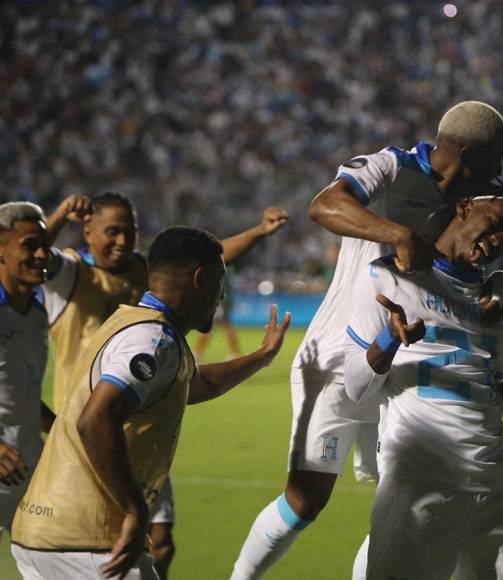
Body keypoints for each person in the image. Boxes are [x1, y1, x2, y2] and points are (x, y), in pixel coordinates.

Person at [231, 101, 503, 579]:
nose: (502, 170)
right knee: (305, 501)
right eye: (498, 157)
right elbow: (324, 205)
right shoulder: (393, 165)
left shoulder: (472, 200)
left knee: (409, 501)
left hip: (408, 367)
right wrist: (397, 234)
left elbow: (475, 258)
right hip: (339, 357)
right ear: (468, 152)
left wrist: (495, 290)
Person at [10, 226, 291, 580]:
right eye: (220, 282)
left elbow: (198, 382)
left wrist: (262, 356)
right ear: (200, 279)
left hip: (39, 536)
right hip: (89, 541)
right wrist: (134, 510)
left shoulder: (130, 322)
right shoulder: (152, 339)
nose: (221, 297)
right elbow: (96, 418)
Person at [343, 193, 503, 579]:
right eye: (495, 225)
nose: (498, 242)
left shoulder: (495, 307)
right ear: (463, 206)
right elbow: (356, 389)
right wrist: (389, 339)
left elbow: (489, 406)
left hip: (495, 485)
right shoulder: (388, 277)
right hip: (422, 478)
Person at [0, 203, 56, 537]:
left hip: (26, 470)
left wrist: (64, 433)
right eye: (30, 245)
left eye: (45, 244)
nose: (42, 254)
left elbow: (24, 395)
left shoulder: (36, 314)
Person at [194, 267, 241, 360]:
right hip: (224, 301)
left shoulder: (222, 267)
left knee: (219, 325)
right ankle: (198, 351)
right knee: (216, 325)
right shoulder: (229, 267)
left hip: (221, 302)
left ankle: (236, 353)